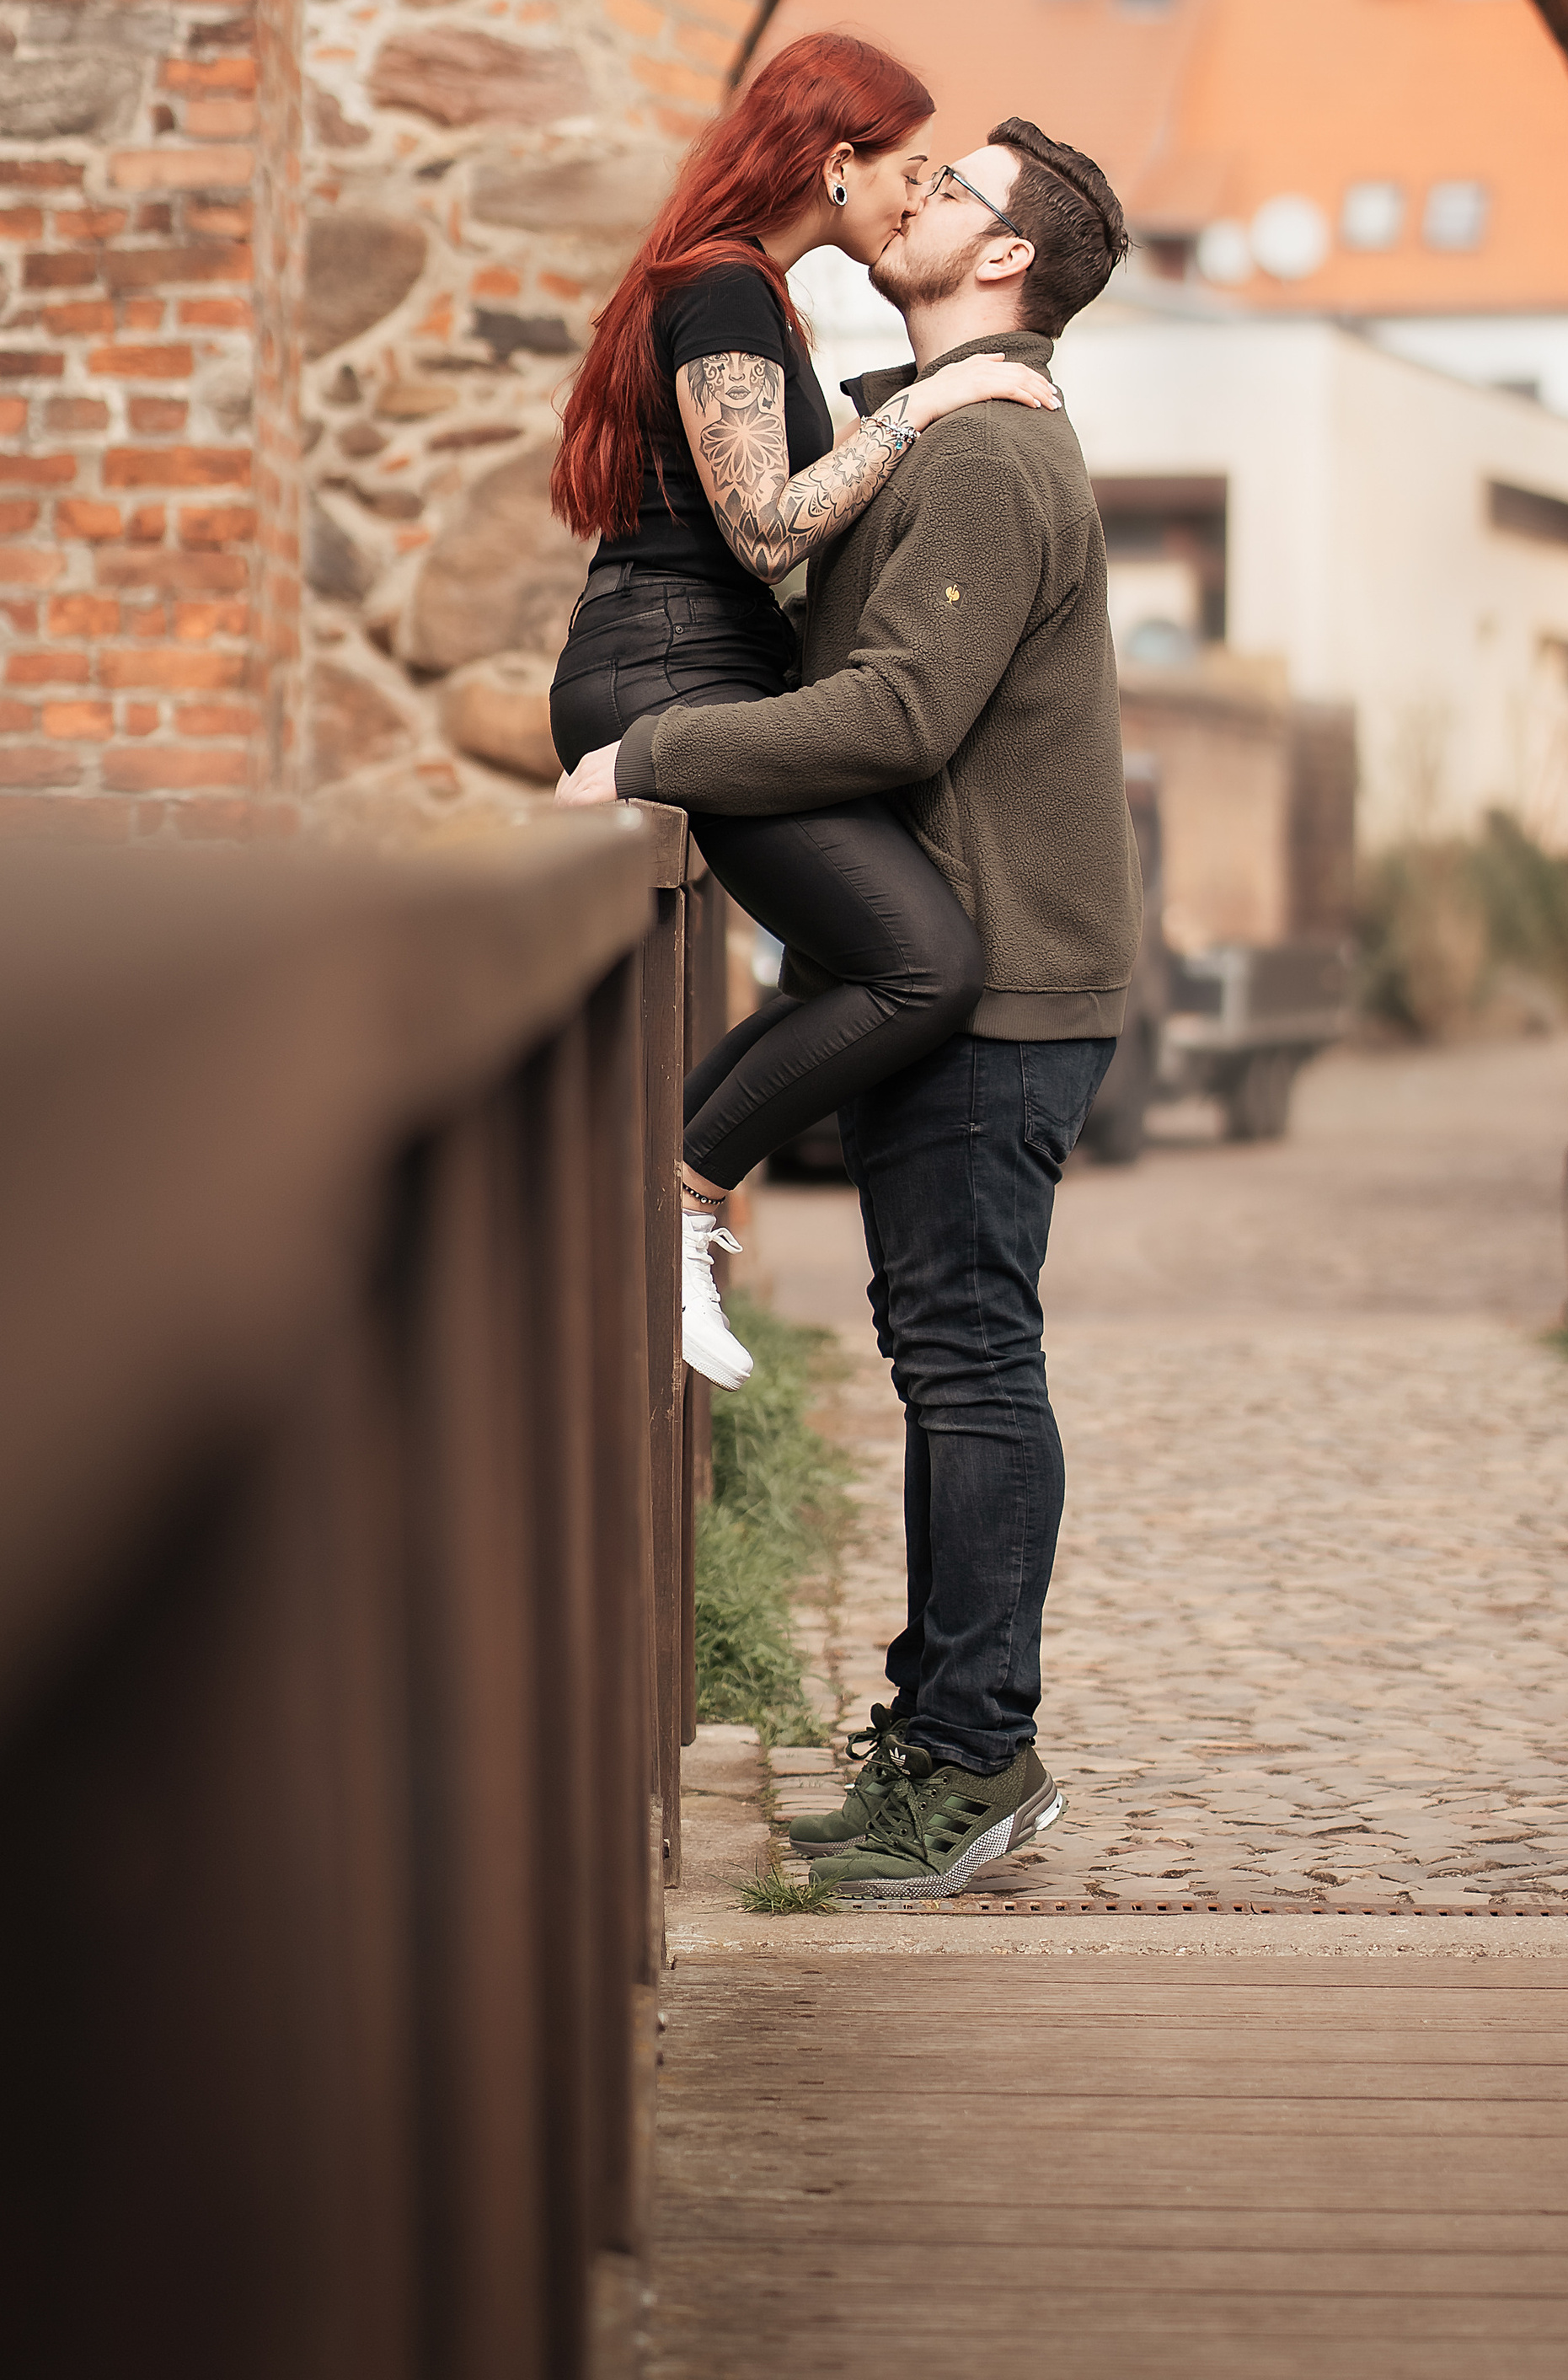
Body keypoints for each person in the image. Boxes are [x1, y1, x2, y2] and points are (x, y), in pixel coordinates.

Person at [559, 120, 1139, 1900]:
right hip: (963, 978)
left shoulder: (983, 454)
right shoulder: (935, 415)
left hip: (999, 987)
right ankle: (950, 1733)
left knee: (966, 1368)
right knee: (950, 1357)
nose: (913, 194)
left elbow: (894, 716)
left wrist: (645, 748)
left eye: (951, 187)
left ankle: (968, 1764)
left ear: (1003, 261)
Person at [547, 34, 1060, 1395]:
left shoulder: (752, 292)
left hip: (704, 675)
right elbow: (770, 530)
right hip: (663, 676)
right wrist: (933, 406)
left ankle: (667, 1203)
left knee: (868, 959)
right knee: (922, 961)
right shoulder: (720, 291)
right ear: (837, 165)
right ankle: (675, 1208)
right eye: (910, 170)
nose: (917, 196)